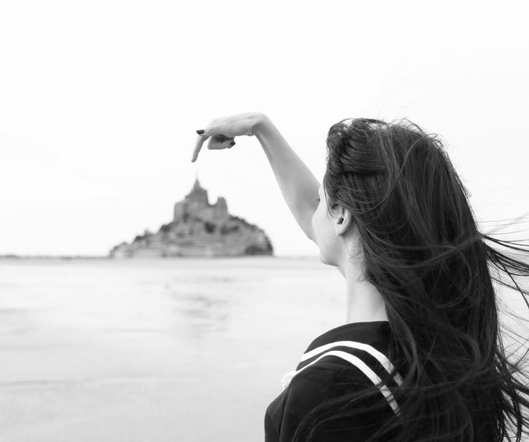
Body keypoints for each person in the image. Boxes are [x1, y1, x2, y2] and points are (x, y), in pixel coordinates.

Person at [191, 113, 529, 441]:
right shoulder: (441, 358)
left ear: (342, 218)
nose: (316, 210)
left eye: (323, 200)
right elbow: (323, 220)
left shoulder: (331, 390)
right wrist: (261, 127)